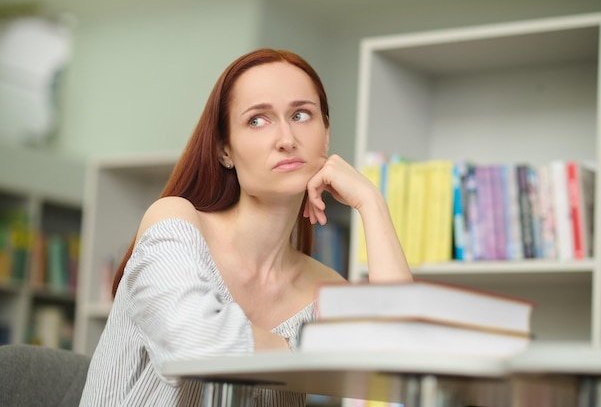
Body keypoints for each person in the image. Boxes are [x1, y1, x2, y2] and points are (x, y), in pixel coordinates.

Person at [79, 48, 412, 407]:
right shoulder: (175, 222)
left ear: (326, 136)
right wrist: (317, 354)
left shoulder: (324, 288)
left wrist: (371, 204)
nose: (286, 138)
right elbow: (196, 343)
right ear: (225, 149)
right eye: (258, 120)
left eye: (301, 115)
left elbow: (405, 365)